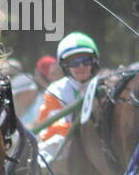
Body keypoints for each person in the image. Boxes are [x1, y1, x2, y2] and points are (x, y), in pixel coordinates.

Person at [36, 32, 100, 162]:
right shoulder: (55, 90)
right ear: (65, 65)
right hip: (67, 147)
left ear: (94, 61)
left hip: (98, 143)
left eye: (85, 61)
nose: (81, 66)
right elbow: (54, 127)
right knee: (54, 143)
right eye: (74, 62)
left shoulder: (104, 85)